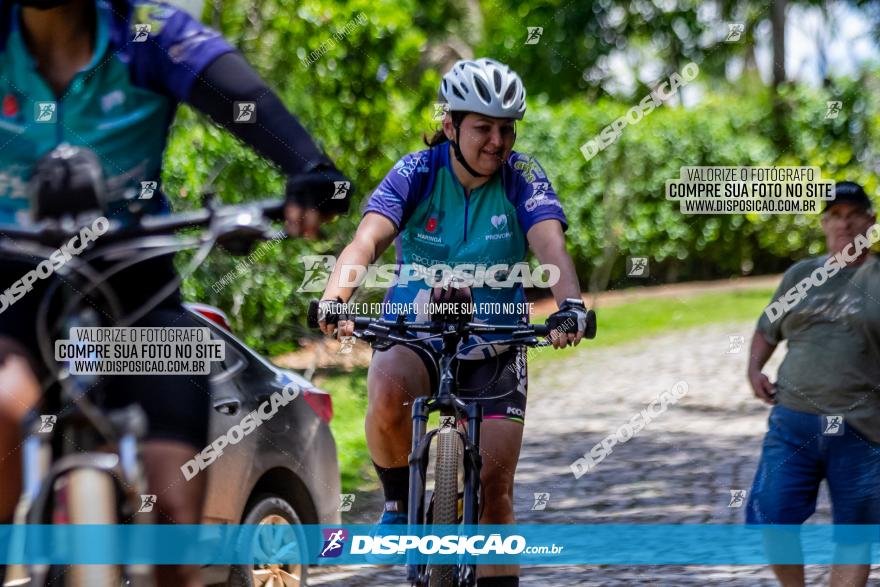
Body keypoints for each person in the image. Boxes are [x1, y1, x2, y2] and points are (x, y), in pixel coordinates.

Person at [0, 1, 351, 586]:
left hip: (136, 286)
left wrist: (308, 166)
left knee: (173, 498)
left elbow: (244, 102)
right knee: (4, 406)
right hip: (14, 284)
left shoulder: (147, 32)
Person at [317, 57, 589, 587]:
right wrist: (335, 297)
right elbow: (366, 240)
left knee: (495, 488)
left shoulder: (522, 177)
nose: (497, 141)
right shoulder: (416, 172)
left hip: (497, 338)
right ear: (450, 125)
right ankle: (398, 503)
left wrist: (570, 306)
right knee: (388, 383)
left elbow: (550, 244)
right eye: (483, 128)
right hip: (417, 327)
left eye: (507, 129)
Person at [746, 181, 880, 587]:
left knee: (856, 535)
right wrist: (754, 370)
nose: (844, 223)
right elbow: (767, 330)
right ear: (824, 224)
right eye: (835, 216)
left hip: (863, 429)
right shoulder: (800, 276)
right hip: (793, 423)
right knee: (772, 516)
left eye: (853, 214)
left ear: (871, 223)